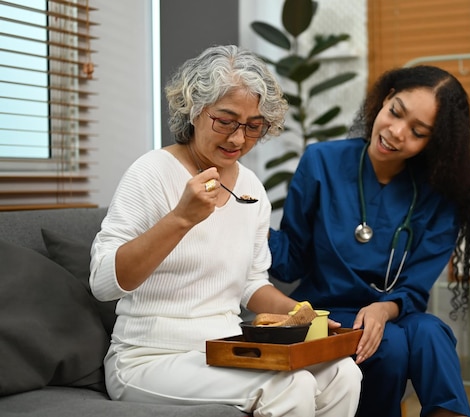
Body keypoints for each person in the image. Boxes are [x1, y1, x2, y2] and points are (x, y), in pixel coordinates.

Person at [89, 45, 362, 417]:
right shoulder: (150, 173)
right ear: (195, 110)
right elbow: (103, 283)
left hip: (223, 347)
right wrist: (180, 219)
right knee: (289, 386)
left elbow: (251, 283)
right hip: (149, 357)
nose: (237, 139)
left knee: (343, 373)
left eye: (253, 126)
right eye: (225, 120)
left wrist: (303, 314)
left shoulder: (251, 187)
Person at [268, 65, 470, 417]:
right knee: (393, 344)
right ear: (384, 99)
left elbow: (414, 289)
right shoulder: (321, 162)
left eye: (418, 132)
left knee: (431, 332)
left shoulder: (441, 197)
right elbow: (293, 258)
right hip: (327, 314)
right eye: (395, 112)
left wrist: (383, 309)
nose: (396, 133)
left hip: (393, 315)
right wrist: (243, 219)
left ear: (433, 143)